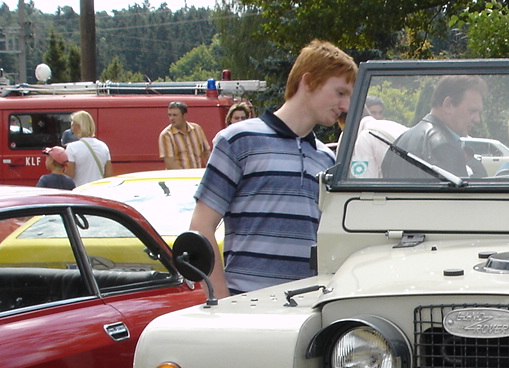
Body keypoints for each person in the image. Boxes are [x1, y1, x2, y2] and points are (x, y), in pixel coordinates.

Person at [189, 39, 357, 297]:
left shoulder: (326, 158)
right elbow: (201, 227)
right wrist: (221, 302)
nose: (345, 106)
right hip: (246, 310)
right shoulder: (238, 140)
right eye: (340, 92)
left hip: (306, 311)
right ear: (309, 81)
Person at [382, 75, 486, 179]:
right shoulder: (444, 146)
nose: (477, 119)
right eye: (472, 111)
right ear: (448, 105)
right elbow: (457, 195)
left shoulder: (401, 140)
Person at [350, 94, 407, 178]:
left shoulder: (365, 136)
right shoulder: (394, 126)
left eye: (380, 113)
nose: (377, 116)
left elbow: (364, 182)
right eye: (373, 113)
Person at [62, 110, 113, 185]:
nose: (71, 129)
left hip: (80, 191)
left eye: (73, 125)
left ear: (79, 126)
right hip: (97, 191)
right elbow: (109, 174)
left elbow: (70, 174)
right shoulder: (103, 146)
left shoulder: (72, 147)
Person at [158, 101, 211, 170]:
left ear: (184, 115)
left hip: (197, 176)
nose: (171, 118)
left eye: (175, 115)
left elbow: (206, 153)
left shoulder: (196, 129)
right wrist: (187, 177)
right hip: (180, 179)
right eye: (169, 115)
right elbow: (170, 163)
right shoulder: (166, 135)